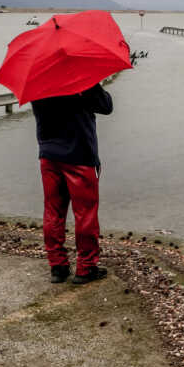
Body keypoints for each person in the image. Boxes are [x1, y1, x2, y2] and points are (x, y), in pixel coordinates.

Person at [32, 83, 113, 284]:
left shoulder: (36, 79)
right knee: (85, 213)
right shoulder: (82, 78)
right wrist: (95, 83)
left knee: (53, 211)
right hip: (80, 155)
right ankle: (86, 268)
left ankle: (58, 266)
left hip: (49, 155)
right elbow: (106, 106)